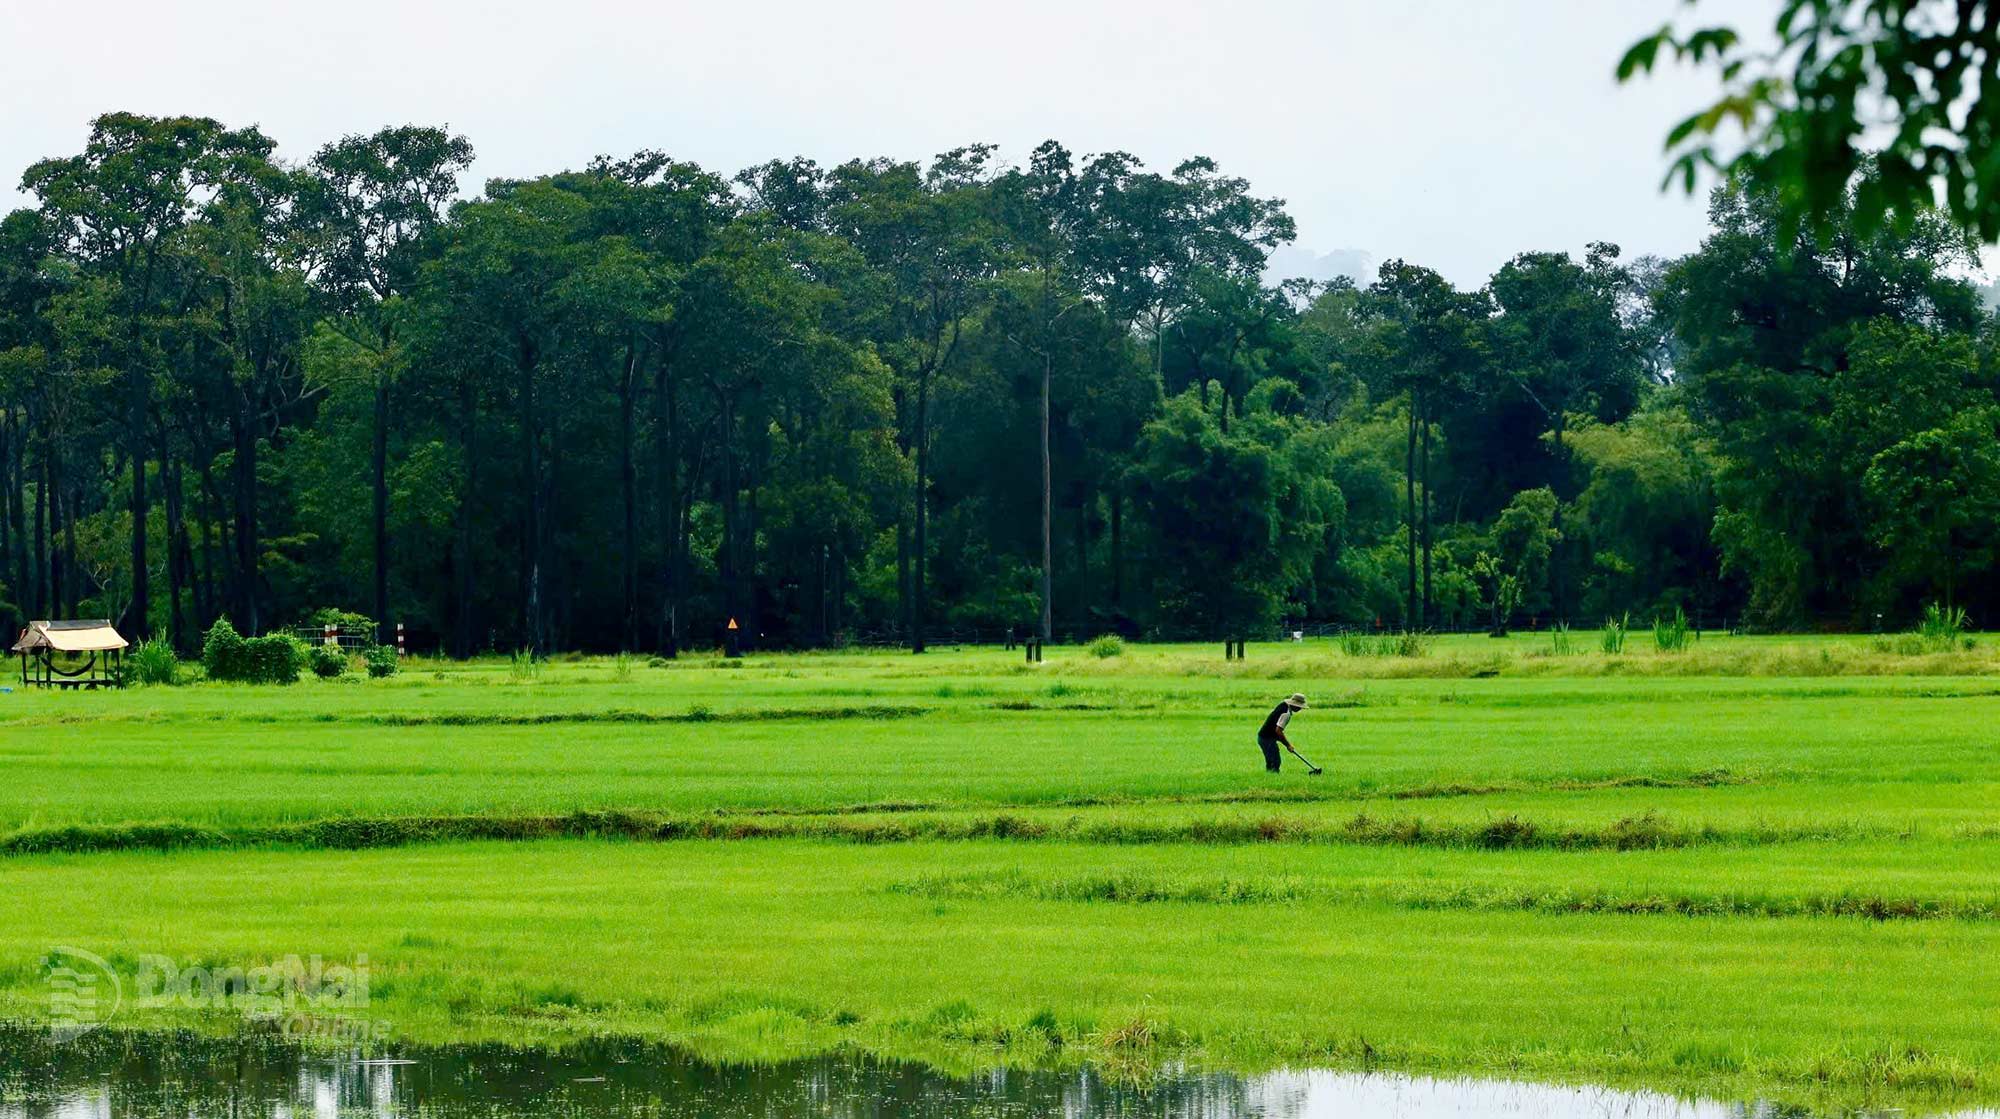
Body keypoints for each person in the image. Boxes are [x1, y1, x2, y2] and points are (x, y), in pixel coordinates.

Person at [1256, 693, 1308, 772]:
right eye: (1299, 706)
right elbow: (1278, 731)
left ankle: (1269, 777)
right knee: (1275, 761)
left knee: (1271, 761)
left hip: (1264, 737)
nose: (1300, 708)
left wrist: (1286, 744)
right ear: (1295, 705)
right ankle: (1272, 778)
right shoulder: (1286, 713)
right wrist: (1288, 745)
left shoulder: (1283, 705)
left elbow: (1276, 729)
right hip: (1266, 738)